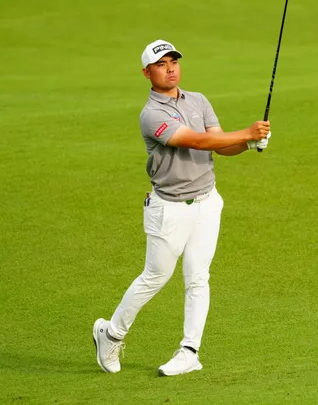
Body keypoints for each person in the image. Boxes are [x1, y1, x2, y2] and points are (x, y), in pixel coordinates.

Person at [93, 39, 271, 376]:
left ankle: (190, 351)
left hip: (207, 202)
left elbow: (220, 146)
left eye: (173, 61)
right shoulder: (152, 115)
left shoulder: (198, 100)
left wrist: (248, 144)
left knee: (198, 278)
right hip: (169, 207)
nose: (170, 68)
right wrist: (245, 133)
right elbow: (197, 141)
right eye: (161, 64)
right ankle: (111, 334)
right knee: (155, 276)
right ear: (147, 73)